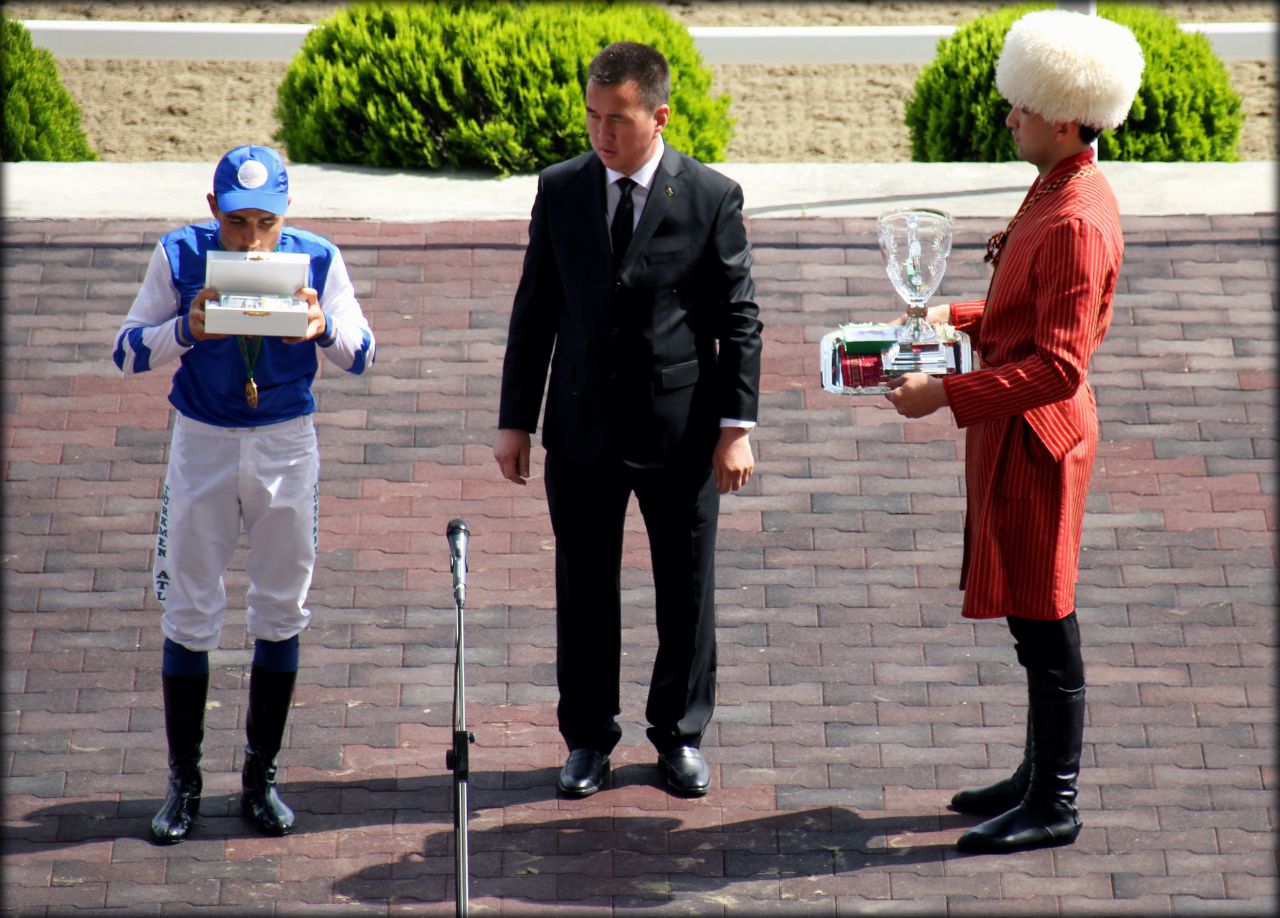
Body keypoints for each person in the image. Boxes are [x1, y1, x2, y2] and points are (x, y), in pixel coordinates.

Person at [884, 10, 1144, 854]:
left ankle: (1055, 802)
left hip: (1037, 442)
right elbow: (1022, 313)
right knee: (1031, 619)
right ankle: (1036, 778)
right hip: (1019, 434)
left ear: (1065, 114)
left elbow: (1059, 367)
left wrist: (944, 394)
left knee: (1045, 618)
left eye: (1022, 108)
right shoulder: (1062, 183)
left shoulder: (1073, 216)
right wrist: (947, 316)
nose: (1009, 119)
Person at [494, 41, 762, 798]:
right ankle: (586, 739)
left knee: (686, 589)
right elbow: (534, 309)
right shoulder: (562, 188)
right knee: (583, 590)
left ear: (661, 115)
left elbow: (739, 319)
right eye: (591, 115)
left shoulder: (710, 197)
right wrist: (517, 420)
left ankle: (678, 735)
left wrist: (735, 428)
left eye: (617, 118)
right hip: (579, 431)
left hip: (680, 434)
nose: (600, 132)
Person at [113, 144, 376, 843]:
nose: (252, 240)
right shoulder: (178, 255)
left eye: (265, 223)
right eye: (237, 225)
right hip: (201, 443)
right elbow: (126, 347)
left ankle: (260, 779)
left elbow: (364, 350)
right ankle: (184, 782)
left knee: (281, 607)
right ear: (212, 212)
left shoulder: (317, 258)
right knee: (190, 609)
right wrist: (184, 330)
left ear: (286, 214)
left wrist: (325, 329)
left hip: (287, 444)